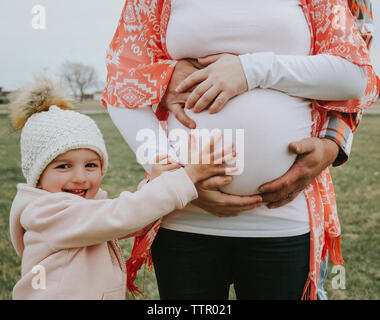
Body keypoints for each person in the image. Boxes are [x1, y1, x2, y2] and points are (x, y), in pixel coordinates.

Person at [102, 0, 379, 299]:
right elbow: (121, 84)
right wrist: (174, 179)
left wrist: (251, 70)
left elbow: (354, 77)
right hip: (185, 215)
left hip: (282, 219)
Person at [9, 79, 236, 299]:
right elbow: (121, 216)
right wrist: (189, 176)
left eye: (91, 165)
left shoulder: (85, 210)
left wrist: (152, 185)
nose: (80, 177)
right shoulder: (46, 213)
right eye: (63, 166)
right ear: (38, 176)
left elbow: (132, 220)